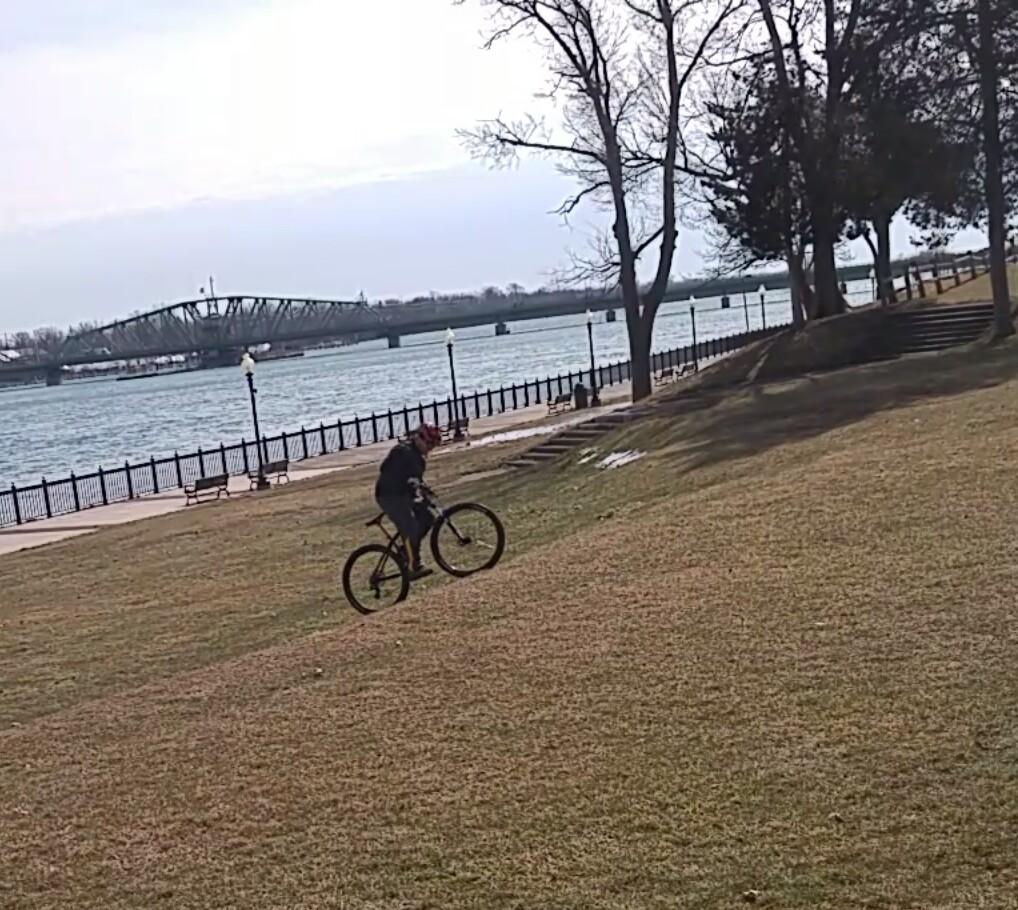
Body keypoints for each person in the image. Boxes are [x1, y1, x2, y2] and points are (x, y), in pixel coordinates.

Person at [375, 423, 442, 579]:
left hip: (405, 494)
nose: (430, 448)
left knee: (427, 518)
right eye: (429, 444)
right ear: (419, 438)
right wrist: (405, 480)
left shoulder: (419, 458)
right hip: (388, 495)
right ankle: (413, 567)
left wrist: (422, 488)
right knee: (409, 526)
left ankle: (406, 551)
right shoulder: (402, 451)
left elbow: (416, 479)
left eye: (433, 446)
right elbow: (385, 469)